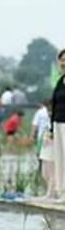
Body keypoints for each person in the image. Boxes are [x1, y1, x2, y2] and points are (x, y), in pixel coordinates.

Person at [51, 48, 65, 200]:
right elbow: (54, 105)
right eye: (61, 60)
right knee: (60, 159)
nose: (63, 63)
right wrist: (50, 127)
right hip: (58, 123)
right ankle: (61, 191)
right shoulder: (60, 81)